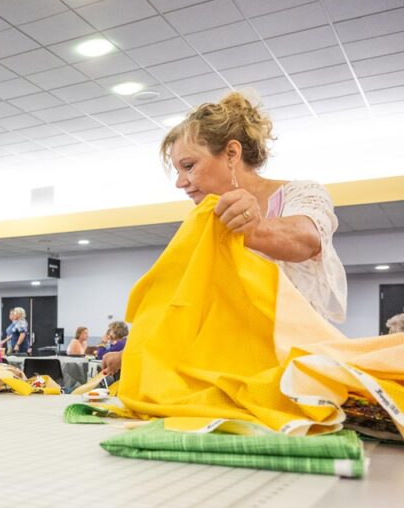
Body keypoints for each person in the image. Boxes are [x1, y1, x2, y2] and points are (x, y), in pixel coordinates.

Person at [104, 92, 347, 376]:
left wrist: (253, 228)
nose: (181, 182)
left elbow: (306, 238)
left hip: (291, 369)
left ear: (232, 153)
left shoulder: (301, 193)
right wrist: (130, 351)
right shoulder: (207, 221)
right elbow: (181, 303)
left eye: (189, 166)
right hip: (228, 372)